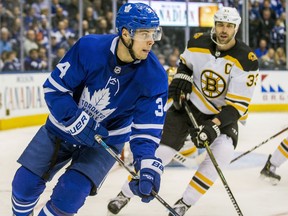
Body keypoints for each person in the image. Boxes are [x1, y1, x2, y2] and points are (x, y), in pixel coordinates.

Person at [11, 3, 168, 216]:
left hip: (106, 141)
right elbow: (55, 89)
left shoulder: (155, 76)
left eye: (154, 33)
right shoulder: (89, 48)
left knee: (70, 197)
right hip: (61, 129)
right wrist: (75, 119)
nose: (151, 40)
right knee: (24, 185)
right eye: (144, 33)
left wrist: (147, 165)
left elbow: (147, 131)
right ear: (125, 33)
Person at [108, 6, 259, 216]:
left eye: (230, 26)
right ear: (214, 25)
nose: (224, 30)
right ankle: (124, 193)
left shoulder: (247, 60)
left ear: (237, 28)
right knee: (161, 152)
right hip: (188, 105)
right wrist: (182, 77)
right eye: (221, 24)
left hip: (221, 116)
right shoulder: (197, 42)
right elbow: (185, 65)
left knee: (222, 155)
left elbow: (236, 107)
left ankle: (184, 203)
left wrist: (213, 127)